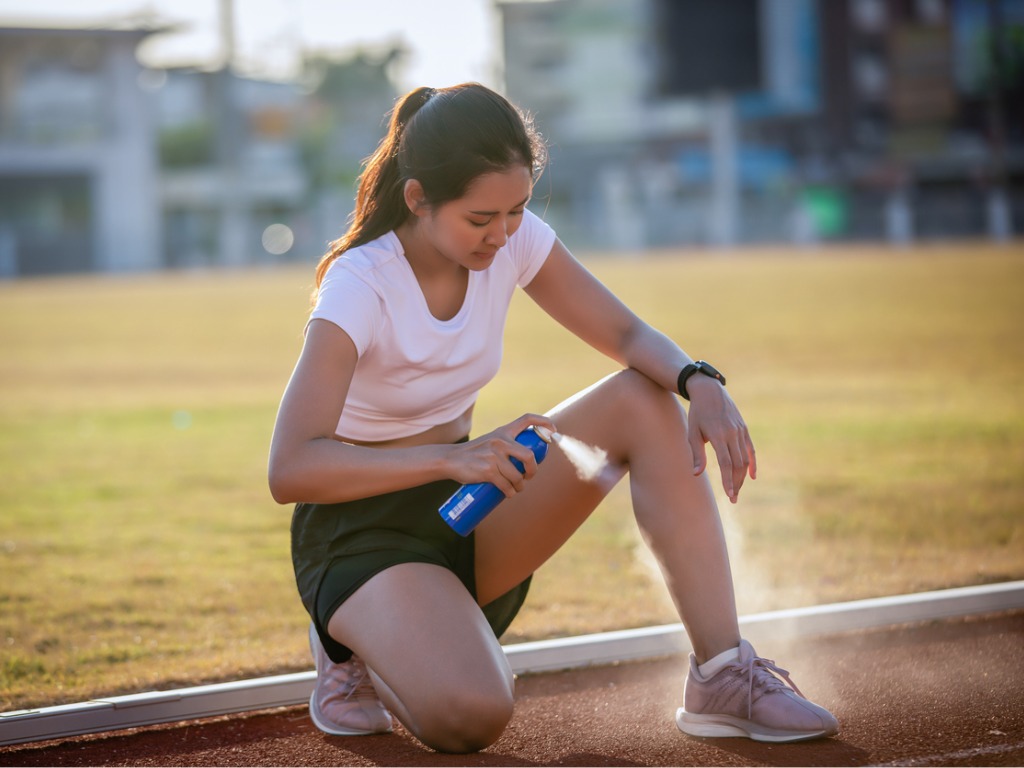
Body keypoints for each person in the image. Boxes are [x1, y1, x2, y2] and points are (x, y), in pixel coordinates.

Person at [268, 82, 838, 753]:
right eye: (481, 218)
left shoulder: (510, 239)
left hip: (466, 506)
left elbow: (626, 335)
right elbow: (292, 466)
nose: (503, 234)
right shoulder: (360, 284)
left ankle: (722, 675)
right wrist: (452, 458)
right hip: (360, 533)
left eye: (517, 211)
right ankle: (348, 644)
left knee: (644, 399)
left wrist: (699, 380)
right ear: (418, 199)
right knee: (472, 717)